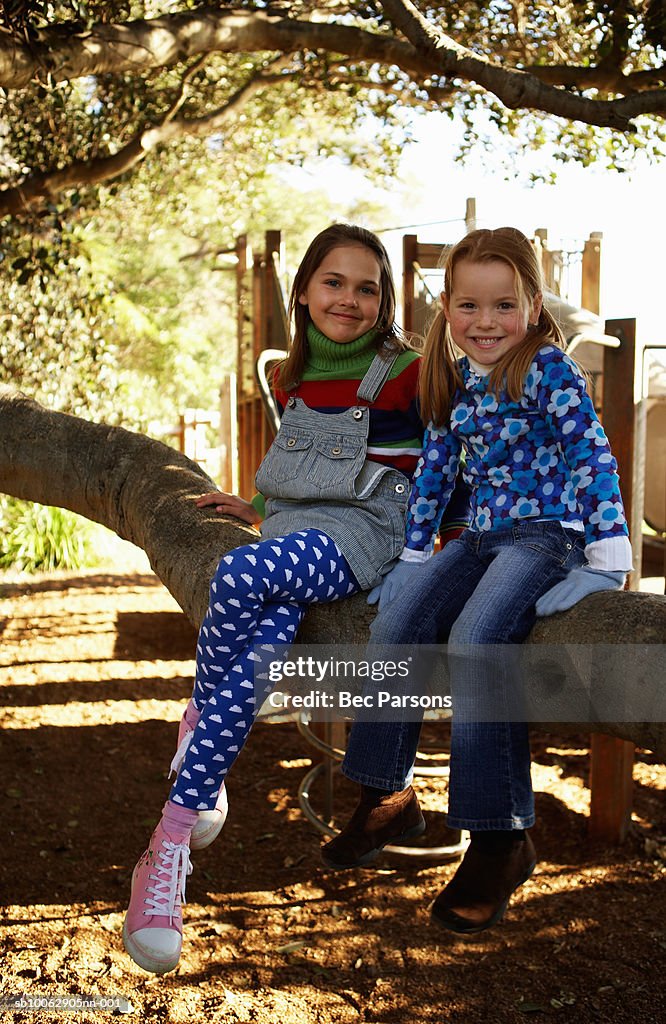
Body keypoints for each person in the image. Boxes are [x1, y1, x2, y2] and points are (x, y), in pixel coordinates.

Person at [122, 223, 468, 974]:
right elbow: (304, 470)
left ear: (386, 301)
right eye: (334, 282)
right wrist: (253, 506)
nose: (349, 298)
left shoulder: (411, 371)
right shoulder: (293, 377)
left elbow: (456, 460)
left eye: (367, 286)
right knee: (266, 638)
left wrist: (451, 547)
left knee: (239, 578)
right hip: (298, 535)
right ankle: (179, 825)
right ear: (305, 290)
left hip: (367, 536)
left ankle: (184, 773)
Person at [321, 226, 632, 935]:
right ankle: (385, 795)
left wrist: (606, 562)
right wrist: (414, 556)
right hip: (479, 536)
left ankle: (500, 840)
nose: (485, 323)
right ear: (446, 307)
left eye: (503, 306)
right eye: (468, 306)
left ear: (531, 302)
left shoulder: (549, 369)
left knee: (475, 637)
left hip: (546, 536)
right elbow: (436, 469)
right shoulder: (454, 376)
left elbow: (592, 452)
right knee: (397, 623)